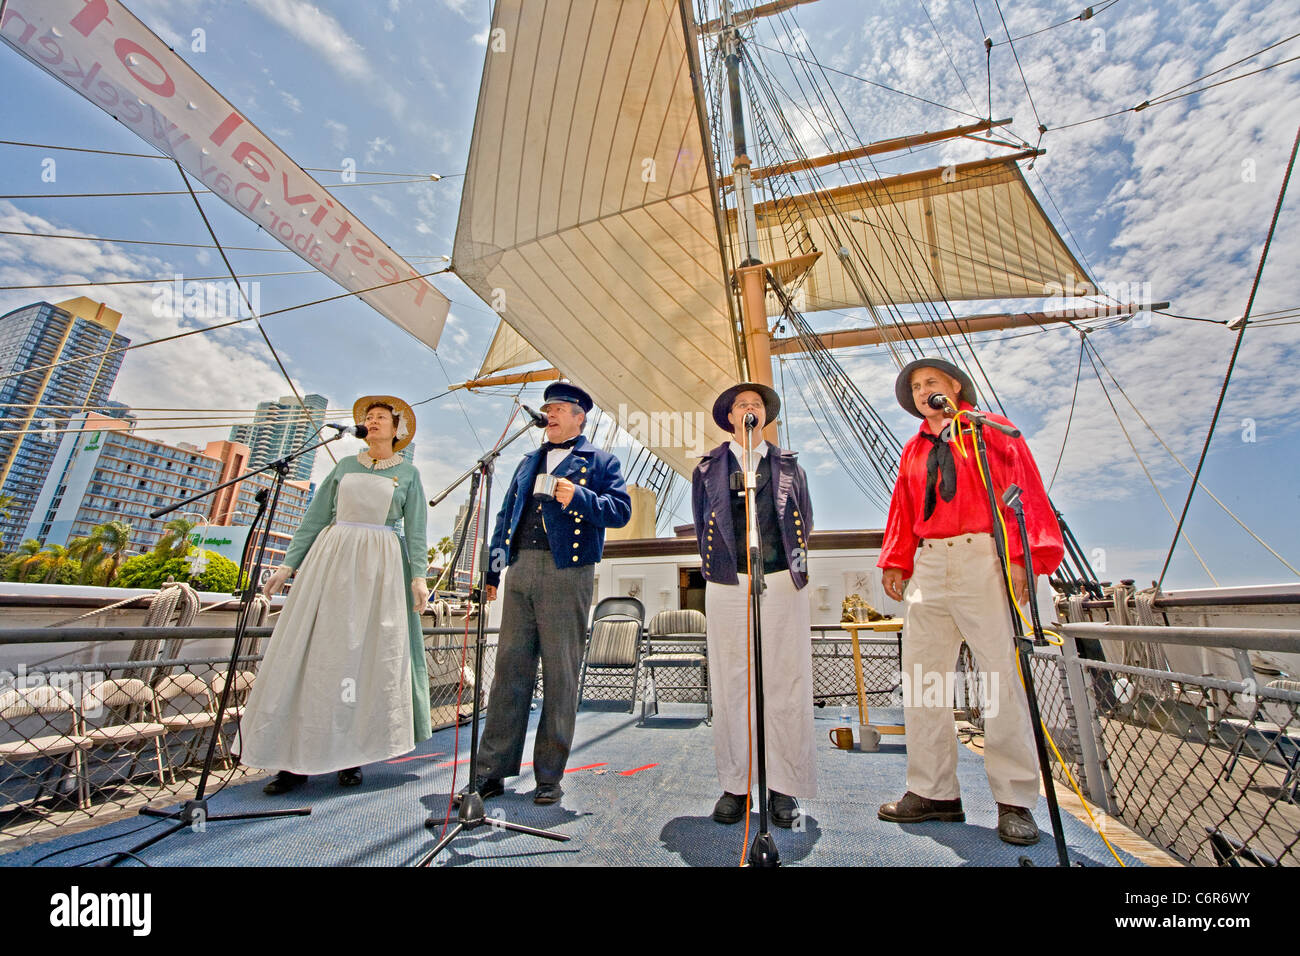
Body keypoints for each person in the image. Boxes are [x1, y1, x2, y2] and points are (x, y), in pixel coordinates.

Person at [876, 359, 1064, 845]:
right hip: (930, 561)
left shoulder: (991, 430)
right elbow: (904, 505)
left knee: (1000, 676)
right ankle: (934, 791)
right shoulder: (913, 450)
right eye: (915, 387)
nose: (922, 391)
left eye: (930, 383)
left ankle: (1015, 800)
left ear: (954, 387)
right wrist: (897, 560)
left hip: (984, 554)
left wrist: (1022, 557)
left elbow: (1024, 489)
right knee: (924, 678)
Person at [241, 395, 432, 794]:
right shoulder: (344, 467)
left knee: (361, 661)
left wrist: (418, 578)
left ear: (399, 431)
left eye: (381, 418)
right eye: (369, 417)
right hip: (331, 563)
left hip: (379, 571)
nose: (373, 422)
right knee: (315, 655)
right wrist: (287, 565)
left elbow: (415, 532)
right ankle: (293, 761)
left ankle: (352, 755)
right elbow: (314, 519)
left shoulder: (409, 475)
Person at [456, 382, 631, 807]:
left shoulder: (601, 460)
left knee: (560, 674)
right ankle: (490, 773)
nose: (550, 413)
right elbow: (504, 518)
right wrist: (493, 573)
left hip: (567, 572)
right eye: (547, 408)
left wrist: (582, 497)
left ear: (579, 417)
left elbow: (621, 511)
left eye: (559, 408)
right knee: (509, 672)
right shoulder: (525, 462)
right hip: (519, 570)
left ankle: (549, 777)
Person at [691, 383, 815, 828]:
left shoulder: (788, 465)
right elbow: (704, 519)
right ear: (729, 416)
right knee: (732, 684)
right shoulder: (707, 467)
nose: (749, 409)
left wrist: (791, 568)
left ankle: (783, 788)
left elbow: (806, 519)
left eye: (756, 405)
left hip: (781, 579)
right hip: (727, 581)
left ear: (765, 417)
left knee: (785, 681)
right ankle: (737, 786)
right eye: (741, 405)